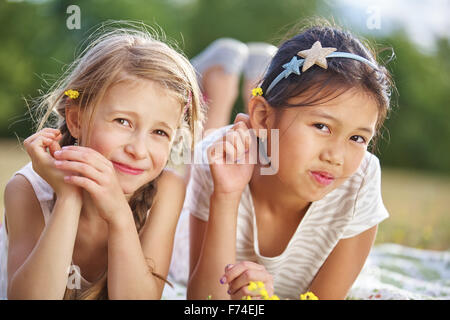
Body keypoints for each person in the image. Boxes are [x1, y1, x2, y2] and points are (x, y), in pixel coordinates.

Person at [184, 20, 394, 300]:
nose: (335, 157)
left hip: (268, 135)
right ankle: (217, 92)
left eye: (357, 138)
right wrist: (226, 195)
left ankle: (254, 84)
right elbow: (204, 304)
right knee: (189, 150)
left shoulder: (360, 178)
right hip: (195, 206)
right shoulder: (219, 160)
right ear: (261, 116)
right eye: (321, 126)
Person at [0, 24, 205, 299]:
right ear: (76, 120)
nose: (138, 150)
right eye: (122, 121)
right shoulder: (27, 190)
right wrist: (68, 197)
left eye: (159, 132)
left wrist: (119, 214)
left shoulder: (166, 189)